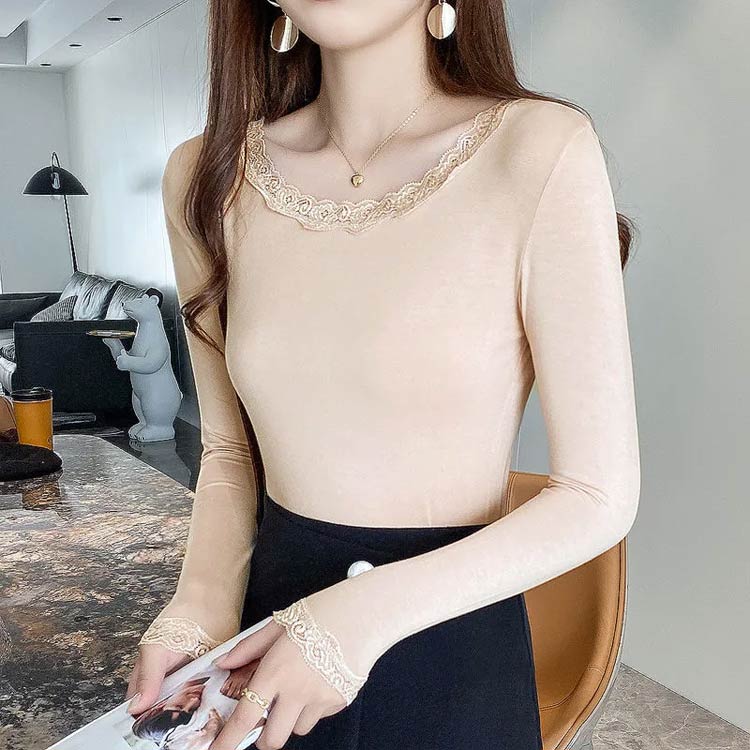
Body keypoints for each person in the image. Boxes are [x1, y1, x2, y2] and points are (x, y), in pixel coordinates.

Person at [126, 1, 641, 749]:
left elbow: (597, 496)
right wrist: (196, 610)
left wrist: (354, 621)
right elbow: (231, 452)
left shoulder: (539, 148)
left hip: (450, 645)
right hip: (265, 648)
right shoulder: (206, 175)